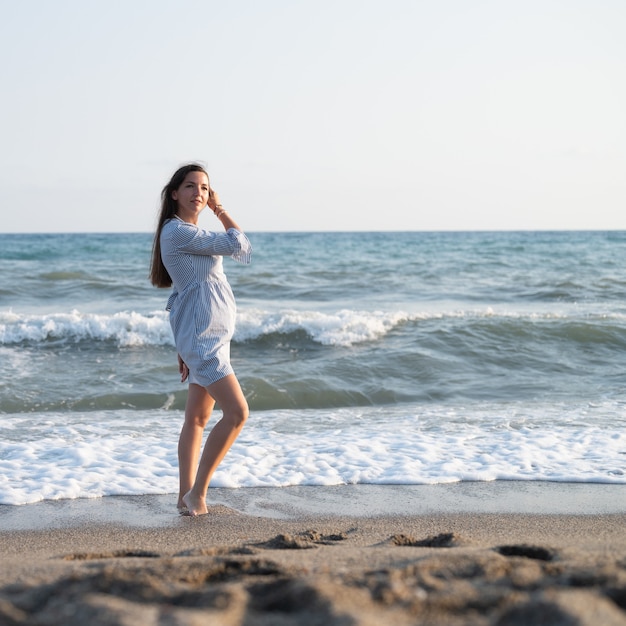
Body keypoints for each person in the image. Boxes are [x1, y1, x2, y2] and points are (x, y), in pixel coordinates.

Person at [150, 163, 252, 516]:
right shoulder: (178, 232)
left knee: (196, 419)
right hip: (204, 339)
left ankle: (184, 497)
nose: (199, 193)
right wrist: (220, 210)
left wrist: (183, 345)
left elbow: (183, 294)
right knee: (238, 413)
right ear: (174, 193)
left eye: (206, 189)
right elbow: (239, 244)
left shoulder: (187, 234)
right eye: (191, 186)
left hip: (206, 337)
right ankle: (198, 494)